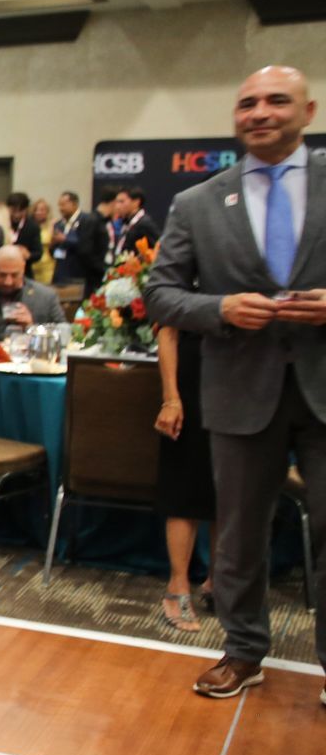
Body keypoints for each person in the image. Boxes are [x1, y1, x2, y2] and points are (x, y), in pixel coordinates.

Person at [147, 64, 326, 701]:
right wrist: (218, 309)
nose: (260, 112)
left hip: (321, 390)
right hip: (237, 393)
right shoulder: (197, 203)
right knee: (240, 534)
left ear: (307, 112)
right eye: (247, 103)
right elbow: (160, 294)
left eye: (277, 100)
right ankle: (244, 651)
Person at [154, 325, 215, 632]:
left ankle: (218, 583)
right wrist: (171, 399)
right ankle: (177, 586)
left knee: (231, 490)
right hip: (189, 378)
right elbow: (167, 332)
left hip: (244, 377)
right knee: (184, 486)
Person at [50, 190, 107, 290]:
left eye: (63, 205)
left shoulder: (87, 221)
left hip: (79, 272)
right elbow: (55, 252)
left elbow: (86, 245)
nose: (61, 208)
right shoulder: (58, 225)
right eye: (59, 205)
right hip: (61, 273)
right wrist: (53, 245)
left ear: (74, 204)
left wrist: (65, 239)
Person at [111, 186, 159, 257]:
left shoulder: (144, 224)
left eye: (121, 201)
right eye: (117, 202)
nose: (117, 206)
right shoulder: (125, 222)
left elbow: (159, 249)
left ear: (136, 202)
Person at [6, 191, 44, 268]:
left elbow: (38, 253)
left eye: (20, 211)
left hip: (24, 270)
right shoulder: (2, 224)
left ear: (26, 209)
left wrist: (28, 255)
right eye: (13, 211)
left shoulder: (32, 226)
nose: (17, 215)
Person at [30, 197, 57, 284]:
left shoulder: (53, 225)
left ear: (47, 212)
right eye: (36, 210)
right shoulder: (29, 226)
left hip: (48, 265)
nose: (39, 212)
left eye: (42, 210)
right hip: (33, 264)